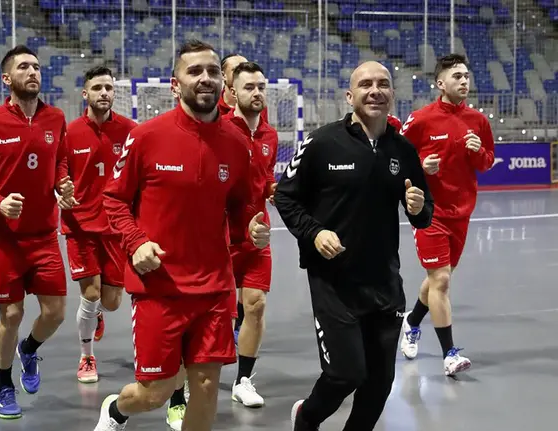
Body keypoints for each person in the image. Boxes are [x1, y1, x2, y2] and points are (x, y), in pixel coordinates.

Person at [93, 39, 270, 431]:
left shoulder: (238, 145)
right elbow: (114, 201)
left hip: (213, 286)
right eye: (194, 71)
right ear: (175, 84)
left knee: (206, 384)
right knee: (155, 393)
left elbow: (244, 212)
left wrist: (254, 231)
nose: (205, 78)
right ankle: (116, 410)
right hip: (160, 285)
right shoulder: (146, 137)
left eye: (211, 71)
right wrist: (136, 243)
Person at [274, 61, 434, 431]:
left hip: (384, 283)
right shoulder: (322, 142)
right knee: (346, 374)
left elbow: (424, 213)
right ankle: (307, 418)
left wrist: (418, 206)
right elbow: (285, 196)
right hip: (335, 282)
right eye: (365, 84)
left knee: (379, 385)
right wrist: (314, 233)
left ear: (393, 95)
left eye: (383, 84)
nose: (375, 90)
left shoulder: (403, 150)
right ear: (350, 96)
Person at [0, 45, 76, 419]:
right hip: (5, 239)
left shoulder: (56, 118)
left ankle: (28, 349)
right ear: (6, 78)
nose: (33, 72)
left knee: (56, 313)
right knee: (10, 316)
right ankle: (4, 384)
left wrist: (62, 182)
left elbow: (60, 158)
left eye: (36, 66)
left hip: (45, 234)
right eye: (24, 67)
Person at [398, 53, 494, 376]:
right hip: (428, 211)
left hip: (461, 213)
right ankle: (449, 354)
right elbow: (396, 158)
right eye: (457, 77)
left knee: (437, 279)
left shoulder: (478, 121)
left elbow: (487, 162)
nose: (464, 81)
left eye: (466, 76)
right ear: (440, 83)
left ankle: (411, 322)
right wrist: (421, 168)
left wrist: (478, 151)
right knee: (441, 280)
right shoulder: (421, 119)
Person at [62, 66, 136, 383]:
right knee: (90, 295)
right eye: (97, 88)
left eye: (108, 87)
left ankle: (97, 316)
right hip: (79, 225)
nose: (104, 93)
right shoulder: (70, 132)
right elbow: (59, 171)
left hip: (116, 228)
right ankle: (87, 357)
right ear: (85, 93)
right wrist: (60, 190)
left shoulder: (132, 131)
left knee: (111, 301)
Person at [222, 61, 278, 408]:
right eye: (248, 87)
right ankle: (183, 389)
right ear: (232, 92)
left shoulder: (270, 135)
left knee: (255, 306)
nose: (255, 93)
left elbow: (264, 179)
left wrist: (273, 190)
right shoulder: (221, 131)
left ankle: (243, 380)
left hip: (258, 237)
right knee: (215, 314)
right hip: (219, 239)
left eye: (260, 87)